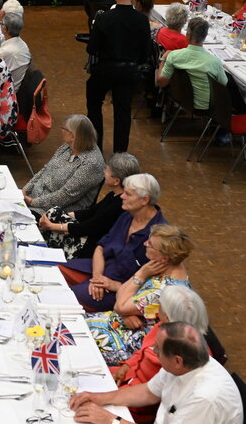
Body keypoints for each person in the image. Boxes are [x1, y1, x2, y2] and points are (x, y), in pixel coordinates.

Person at [68, 322, 242, 424]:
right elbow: (148, 392)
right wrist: (99, 398)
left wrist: (112, 420)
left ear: (177, 360)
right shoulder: (185, 364)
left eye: (157, 349)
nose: (152, 350)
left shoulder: (203, 399)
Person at [87, 224, 194, 366]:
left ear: (165, 257)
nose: (145, 244)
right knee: (70, 324)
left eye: (150, 244)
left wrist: (141, 274)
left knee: (72, 339)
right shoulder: (165, 267)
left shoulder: (163, 288)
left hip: (128, 341)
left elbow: (120, 305)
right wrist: (126, 312)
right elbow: (121, 293)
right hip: (118, 323)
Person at [59, 173, 167, 312]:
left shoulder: (160, 236)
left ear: (144, 200)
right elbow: (100, 247)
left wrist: (114, 285)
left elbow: (153, 287)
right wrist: (97, 278)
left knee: (63, 298)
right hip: (98, 269)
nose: (122, 196)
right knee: (52, 271)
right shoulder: (127, 216)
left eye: (128, 194)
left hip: (119, 290)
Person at [111, 285, 213, 408]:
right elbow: (143, 351)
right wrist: (126, 367)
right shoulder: (164, 328)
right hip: (129, 379)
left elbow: (154, 394)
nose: (158, 309)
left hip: (139, 403)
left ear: (168, 316)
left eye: (161, 307)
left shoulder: (185, 355)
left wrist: (114, 394)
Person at [86, 0, 153, 153]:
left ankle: (96, 148)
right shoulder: (142, 20)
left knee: (94, 103)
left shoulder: (104, 18)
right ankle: (120, 153)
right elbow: (145, 53)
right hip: (128, 72)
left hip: (105, 70)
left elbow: (92, 49)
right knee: (123, 113)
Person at [38, 152, 143, 260]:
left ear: (116, 181)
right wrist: (65, 214)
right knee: (54, 212)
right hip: (87, 234)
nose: (104, 171)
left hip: (89, 246)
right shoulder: (113, 194)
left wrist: (52, 226)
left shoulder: (118, 205)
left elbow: (89, 227)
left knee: (51, 219)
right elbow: (92, 212)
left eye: (107, 170)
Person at [23, 115, 105, 214]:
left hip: (53, 212)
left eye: (64, 128)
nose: (61, 130)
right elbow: (46, 169)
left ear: (73, 136)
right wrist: (26, 190)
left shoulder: (91, 163)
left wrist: (33, 202)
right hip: (34, 199)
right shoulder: (69, 145)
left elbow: (66, 195)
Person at [156, 17, 228, 110]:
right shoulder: (215, 62)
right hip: (205, 107)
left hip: (179, 98)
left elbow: (161, 82)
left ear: (187, 35)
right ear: (205, 36)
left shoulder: (173, 56)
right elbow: (223, 84)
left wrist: (163, 59)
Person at [0, 12, 31, 89]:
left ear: (5, 29)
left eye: (1, 23)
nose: (0, 24)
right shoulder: (22, 43)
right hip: (12, 84)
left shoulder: (6, 51)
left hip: (7, 91)